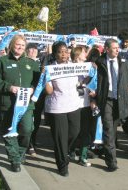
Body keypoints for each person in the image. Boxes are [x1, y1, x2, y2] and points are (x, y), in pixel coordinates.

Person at [0, 35, 40, 172]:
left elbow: (38, 82)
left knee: (27, 129)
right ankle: (14, 159)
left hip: (26, 105)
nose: (20, 47)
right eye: (18, 44)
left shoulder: (32, 63)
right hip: (8, 104)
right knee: (9, 131)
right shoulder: (1, 62)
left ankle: (20, 152)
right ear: (12, 45)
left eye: (23, 45)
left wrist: (33, 89)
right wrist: (9, 87)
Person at [91, 38, 128, 171]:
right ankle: (111, 161)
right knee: (108, 128)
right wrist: (94, 98)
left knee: (113, 129)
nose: (117, 50)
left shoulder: (124, 63)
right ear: (107, 49)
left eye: (118, 48)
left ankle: (107, 150)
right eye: (114, 48)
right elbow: (93, 81)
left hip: (119, 100)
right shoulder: (98, 63)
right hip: (106, 99)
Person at [44, 41, 81, 176]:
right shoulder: (50, 69)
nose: (64, 54)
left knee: (74, 132)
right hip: (57, 107)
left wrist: (91, 70)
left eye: (66, 51)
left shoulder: (75, 66)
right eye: (60, 51)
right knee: (60, 138)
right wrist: (45, 77)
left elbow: (84, 81)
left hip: (73, 105)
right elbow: (49, 91)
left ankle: (64, 149)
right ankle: (62, 165)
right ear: (55, 54)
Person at [71, 46, 94, 167]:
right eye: (84, 52)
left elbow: (93, 82)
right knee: (74, 131)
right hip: (73, 104)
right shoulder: (69, 66)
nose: (86, 54)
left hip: (85, 103)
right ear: (78, 54)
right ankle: (70, 151)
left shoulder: (89, 67)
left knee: (85, 131)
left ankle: (83, 156)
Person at [25, 43, 43, 157]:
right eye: (31, 50)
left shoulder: (39, 63)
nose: (33, 51)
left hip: (38, 97)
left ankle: (32, 140)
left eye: (35, 50)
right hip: (27, 97)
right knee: (28, 123)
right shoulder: (24, 62)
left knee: (36, 121)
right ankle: (28, 144)